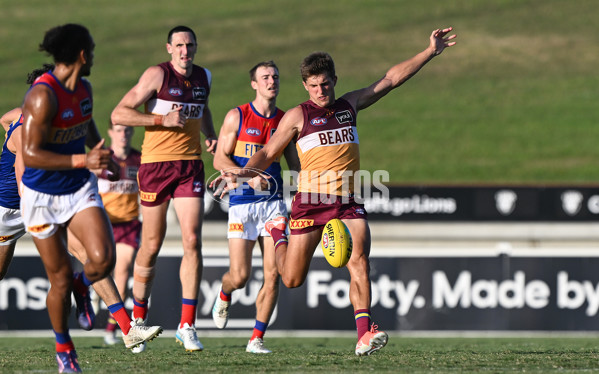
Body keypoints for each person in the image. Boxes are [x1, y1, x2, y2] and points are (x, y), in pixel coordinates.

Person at [212, 27, 457, 356]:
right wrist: (243, 172)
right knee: (291, 279)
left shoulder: (350, 104)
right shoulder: (299, 115)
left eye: (324, 83)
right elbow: (269, 153)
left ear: (335, 80)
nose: (319, 90)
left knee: (359, 261)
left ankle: (363, 334)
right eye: (312, 85)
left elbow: (390, 79)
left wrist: (430, 52)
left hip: (347, 203)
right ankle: (277, 232)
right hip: (310, 204)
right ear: (305, 86)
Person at [20, 24, 162, 372]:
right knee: (59, 280)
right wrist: (86, 159)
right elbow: (31, 154)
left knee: (102, 260)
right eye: (93, 50)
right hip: (40, 195)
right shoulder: (42, 96)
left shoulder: (85, 88)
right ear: (82, 54)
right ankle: (64, 348)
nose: (95, 55)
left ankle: (85, 287)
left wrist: (104, 154)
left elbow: (87, 125)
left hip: (78, 188)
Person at [111, 25, 218, 352]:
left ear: (196, 47)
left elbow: (203, 107)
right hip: (156, 165)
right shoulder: (157, 75)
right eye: (180, 46)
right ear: (169, 48)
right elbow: (120, 113)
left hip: (189, 166)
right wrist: (160, 121)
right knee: (152, 244)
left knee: (192, 240)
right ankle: (138, 320)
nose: (186, 51)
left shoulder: (204, 77)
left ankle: (187, 325)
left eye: (190, 45)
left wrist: (209, 134)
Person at [210, 61, 300, 353]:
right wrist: (248, 180)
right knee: (240, 276)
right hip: (242, 205)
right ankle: (224, 295)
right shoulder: (237, 116)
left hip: (273, 206)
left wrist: (306, 188)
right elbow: (219, 160)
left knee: (273, 274)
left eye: (275, 76)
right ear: (254, 84)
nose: (271, 81)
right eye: (265, 77)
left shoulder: (286, 120)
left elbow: (295, 165)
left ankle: (256, 339)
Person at [96, 121, 143, 348]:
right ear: (110, 132)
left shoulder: (139, 159)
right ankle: (92, 292)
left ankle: (112, 327)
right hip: (103, 225)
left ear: (132, 132)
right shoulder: (101, 158)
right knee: (99, 268)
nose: (123, 134)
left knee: (123, 271)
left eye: (127, 130)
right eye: (119, 130)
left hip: (129, 225)